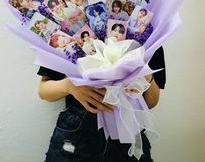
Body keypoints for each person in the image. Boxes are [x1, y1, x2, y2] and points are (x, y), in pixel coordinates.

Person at [37, 47, 166, 162]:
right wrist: (69, 86)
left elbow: (151, 102)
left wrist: (147, 78)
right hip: (77, 135)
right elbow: (44, 90)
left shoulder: (147, 35)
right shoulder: (69, 29)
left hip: (128, 132)